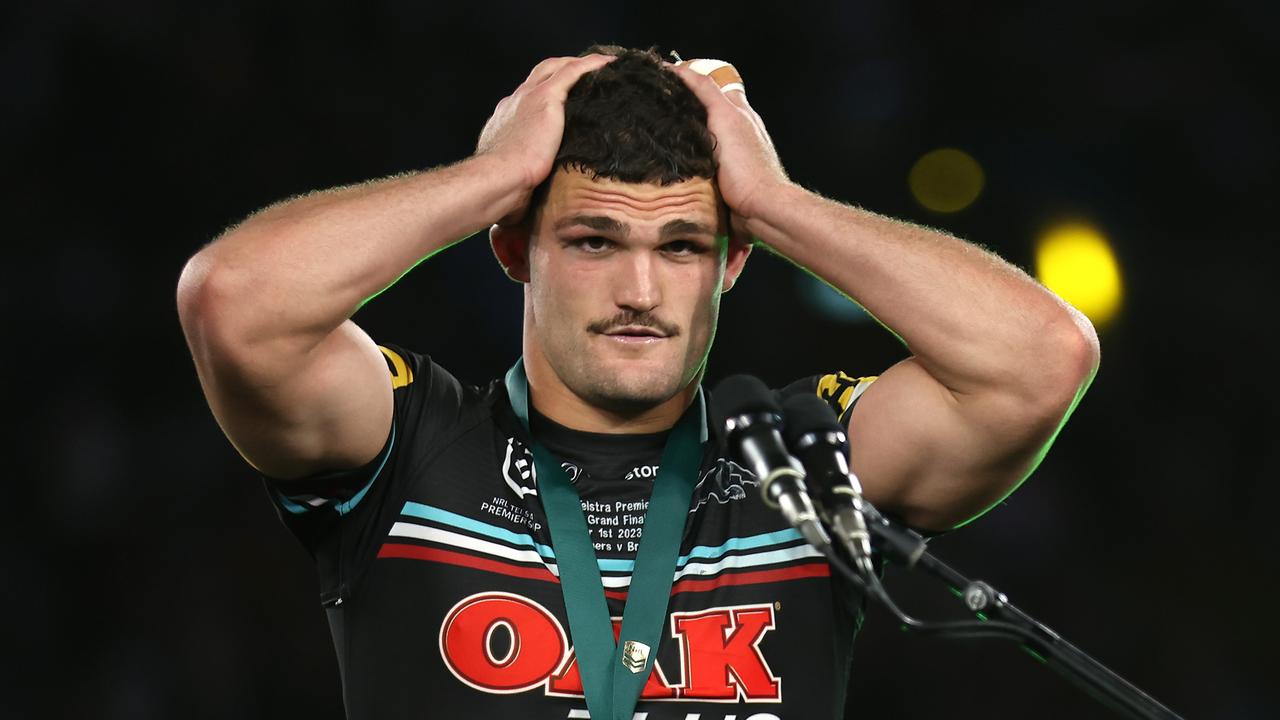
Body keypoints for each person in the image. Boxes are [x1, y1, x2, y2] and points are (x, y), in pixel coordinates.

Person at [177, 46, 1099, 720]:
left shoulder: (798, 462)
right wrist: (495, 175)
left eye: (684, 245)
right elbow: (235, 301)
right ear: (514, 245)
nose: (641, 293)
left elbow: (1039, 361)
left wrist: (777, 203)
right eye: (593, 241)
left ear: (732, 262)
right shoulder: (409, 444)